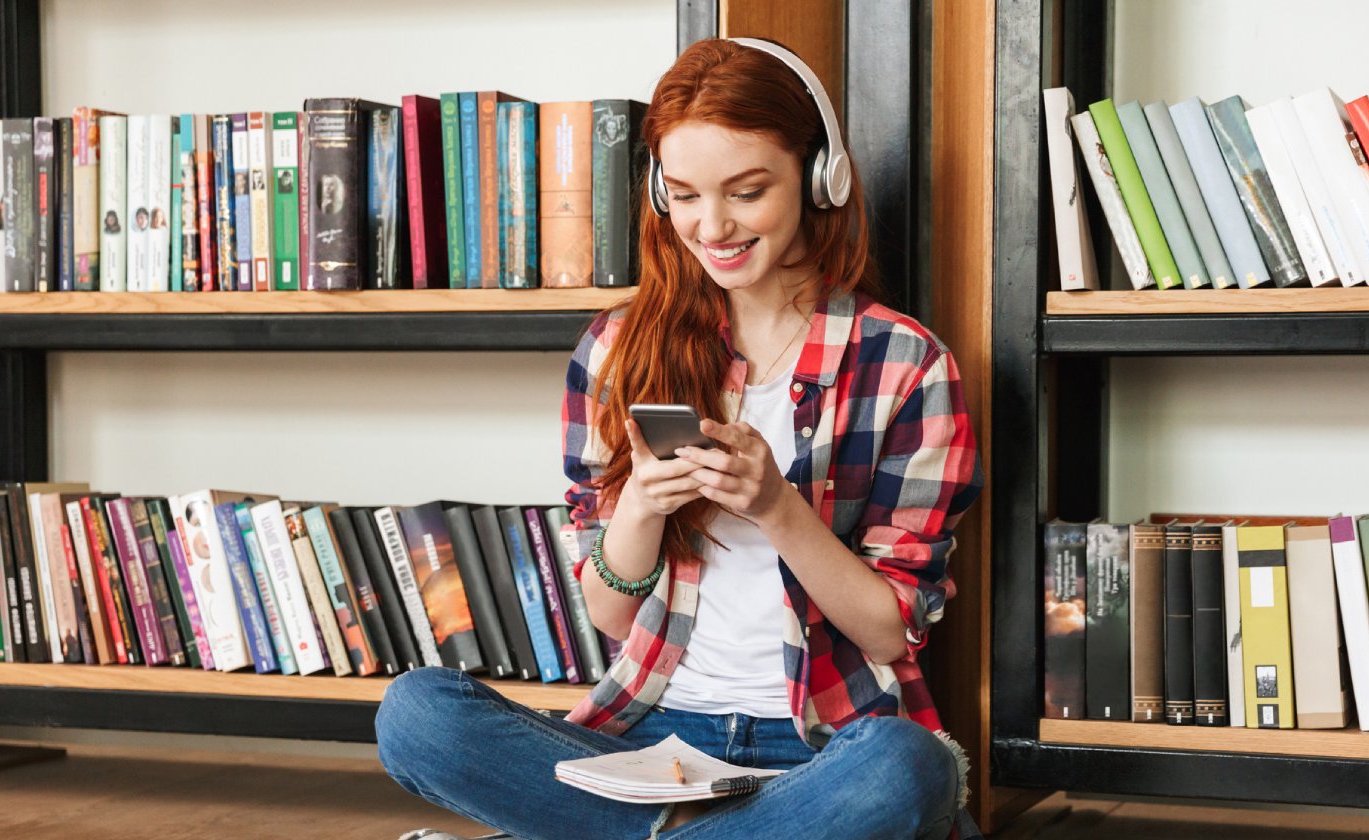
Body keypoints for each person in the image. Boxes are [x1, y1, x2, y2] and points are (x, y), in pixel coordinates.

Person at [377, 37, 982, 840]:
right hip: (653, 735)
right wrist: (637, 513)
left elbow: (887, 627)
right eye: (687, 194)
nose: (713, 225)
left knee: (911, 771)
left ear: (817, 176)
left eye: (747, 191)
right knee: (415, 714)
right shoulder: (618, 349)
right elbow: (610, 616)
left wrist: (779, 509)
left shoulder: (907, 363)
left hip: (826, 749)